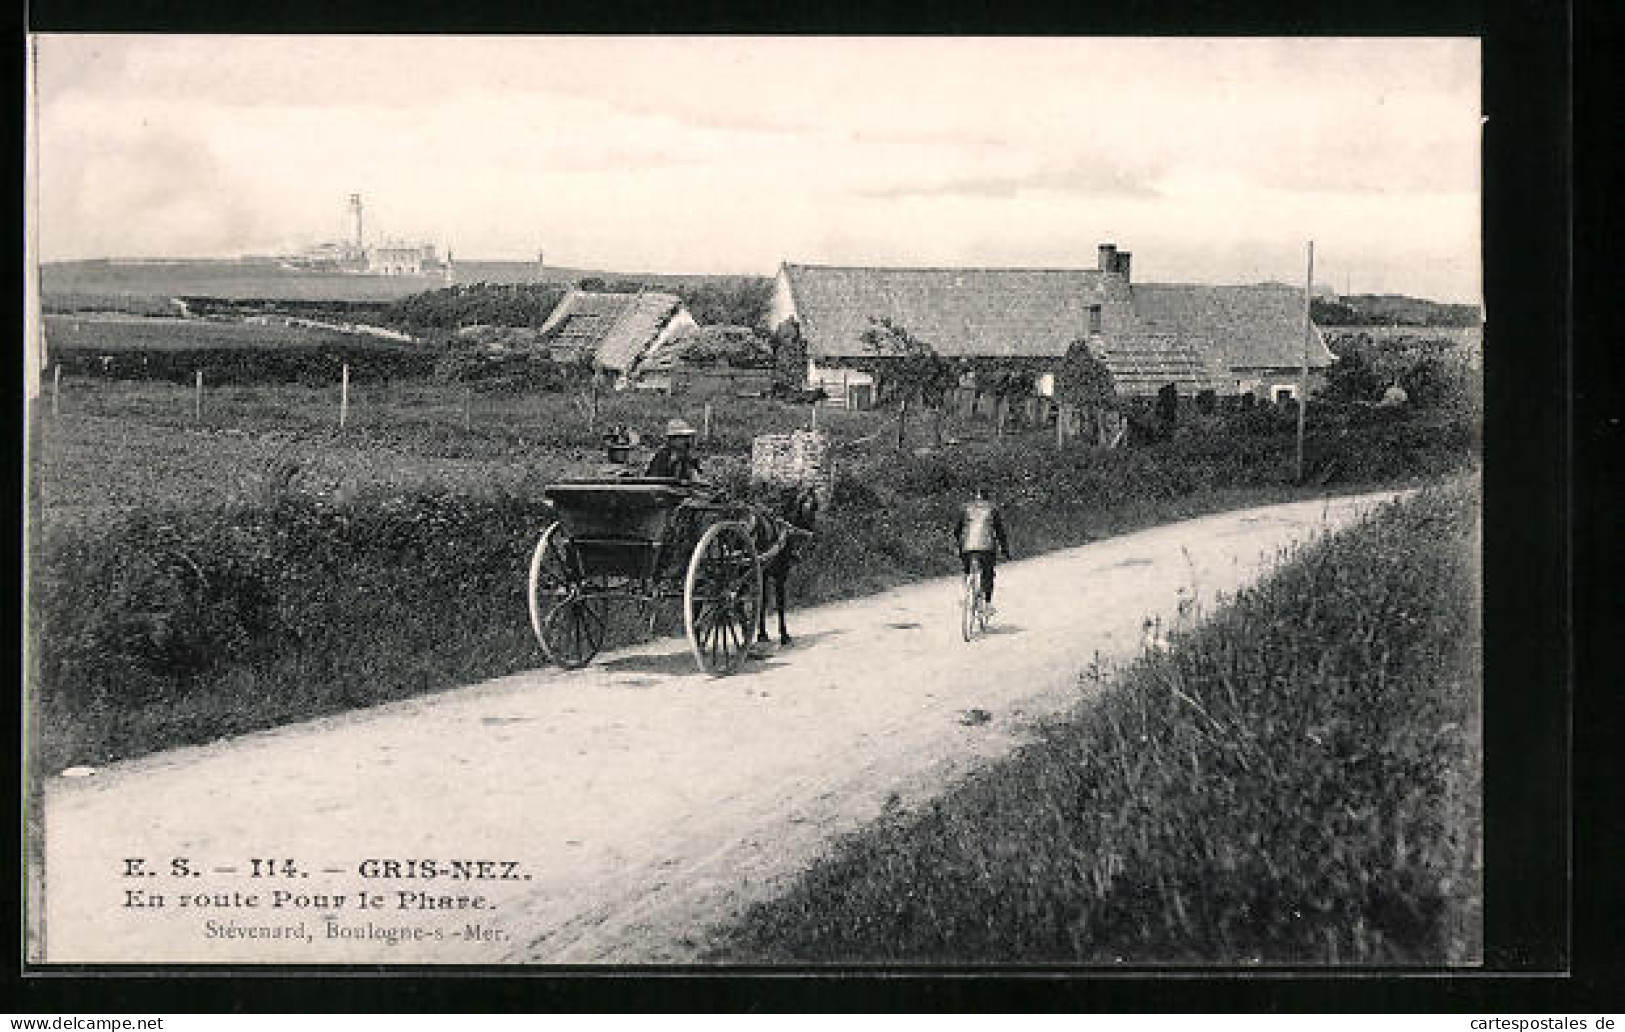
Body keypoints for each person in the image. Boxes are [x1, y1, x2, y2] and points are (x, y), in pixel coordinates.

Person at [954, 486, 1012, 609]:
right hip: (987, 547)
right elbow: (1000, 532)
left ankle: (965, 593)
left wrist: (959, 545)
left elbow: (957, 530)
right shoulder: (992, 509)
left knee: (967, 569)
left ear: (974, 497)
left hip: (967, 547)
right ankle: (987, 603)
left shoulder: (965, 508)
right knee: (988, 573)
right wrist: (1005, 550)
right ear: (987, 497)